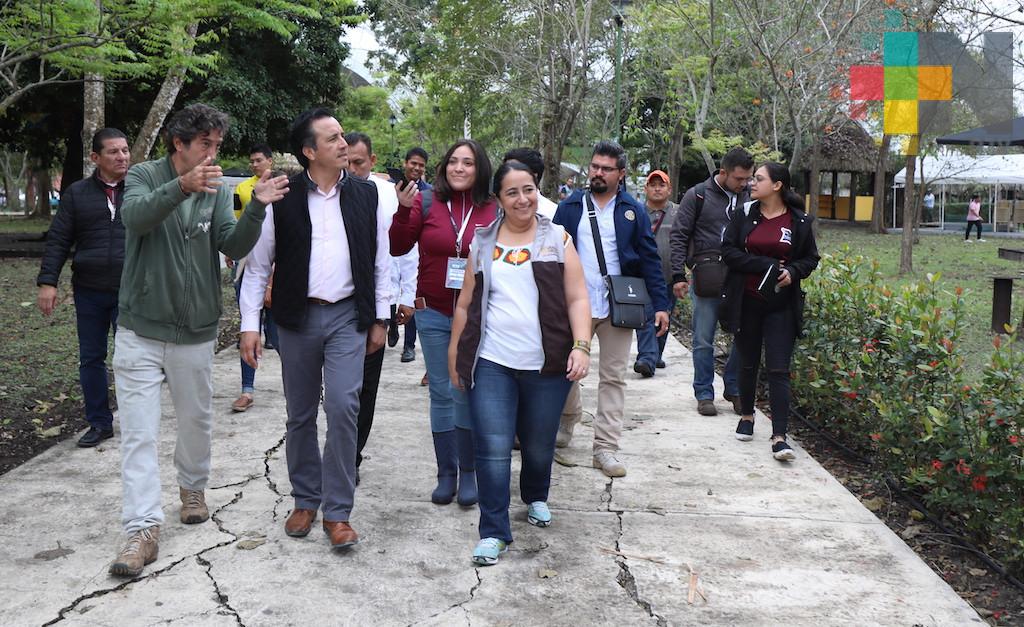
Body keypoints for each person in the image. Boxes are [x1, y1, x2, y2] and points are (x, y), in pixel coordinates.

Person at [108, 104, 285, 577]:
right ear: (178, 143)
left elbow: (231, 245)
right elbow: (135, 219)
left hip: (196, 332)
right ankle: (142, 529)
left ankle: (193, 487)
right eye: (205, 144)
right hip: (140, 330)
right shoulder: (145, 175)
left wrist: (259, 208)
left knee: (195, 422)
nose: (213, 154)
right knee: (139, 435)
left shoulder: (214, 190)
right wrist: (179, 188)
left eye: (217, 146)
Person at [240, 109, 391, 550]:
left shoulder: (368, 195)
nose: (344, 144)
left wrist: (380, 317)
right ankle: (305, 499)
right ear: (309, 151)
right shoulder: (282, 197)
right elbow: (257, 267)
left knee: (344, 406)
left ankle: (339, 512)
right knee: (300, 412)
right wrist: (251, 325)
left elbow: (380, 262)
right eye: (333, 139)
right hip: (297, 318)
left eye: (343, 136)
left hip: (348, 316)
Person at [448, 161, 591, 565]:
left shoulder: (557, 238)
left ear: (537, 191)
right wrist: (454, 354)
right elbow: (464, 305)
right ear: (499, 199)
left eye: (528, 189)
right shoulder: (482, 242)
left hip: (546, 365)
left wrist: (581, 345)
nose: (522, 199)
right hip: (492, 361)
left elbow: (578, 298)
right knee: (492, 447)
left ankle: (535, 495)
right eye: (512, 192)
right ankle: (493, 531)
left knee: (538, 443)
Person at [390, 139, 498, 506]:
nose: (459, 168)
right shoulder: (426, 201)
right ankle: (445, 473)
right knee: (441, 391)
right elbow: (398, 246)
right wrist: (403, 212)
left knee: (465, 389)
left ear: (479, 168)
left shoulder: (492, 208)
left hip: (476, 316)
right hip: (433, 312)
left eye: (468, 163)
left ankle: (469, 472)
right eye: (453, 161)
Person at [553, 140, 670, 478]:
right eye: (594, 167)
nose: (598, 173)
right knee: (567, 370)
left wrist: (660, 305)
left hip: (618, 306)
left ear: (621, 174)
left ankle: (605, 448)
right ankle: (567, 419)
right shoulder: (571, 206)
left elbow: (649, 258)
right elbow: (551, 254)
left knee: (613, 378)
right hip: (575, 305)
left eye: (606, 169)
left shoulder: (632, 210)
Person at [36, 128, 130, 448]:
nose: (122, 157)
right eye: (114, 152)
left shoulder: (140, 191)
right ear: (95, 158)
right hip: (88, 290)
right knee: (91, 358)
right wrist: (48, 282)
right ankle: (99, 422)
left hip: (129, 291)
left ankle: (134, 420)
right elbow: (60, 239)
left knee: (131, 358)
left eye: (125, 151)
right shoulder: (77, 193)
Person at [720, 162, 820, 462]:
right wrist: (763, 265)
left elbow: (810, 258)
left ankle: (779, 436)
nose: (752, 182)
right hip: (747, 302)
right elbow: (729, 253)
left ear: (777, 185)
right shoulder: (743, 215)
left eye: (759, 179)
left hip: (781, 306)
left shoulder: (798, 222)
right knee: (748, 363)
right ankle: (748, 416)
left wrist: (792, 272)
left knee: (779, 369)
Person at [669, 147, 754, 416]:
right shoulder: (698, 195)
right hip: (707, 276)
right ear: (723, 172)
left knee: (744, 339)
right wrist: (678, 275)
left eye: (748, 179)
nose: (744, 184)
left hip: (741, 277)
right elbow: (679, 235)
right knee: (704, 339)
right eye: (739, 179)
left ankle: (734, 388)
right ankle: (704, 392)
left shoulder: (751, 198)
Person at [343, 131, 400, 483]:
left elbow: (398, 255)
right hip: (332, 308)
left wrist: (395, 305)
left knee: (365, 387)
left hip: (376, 304)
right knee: (337, 393)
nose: (350, 169)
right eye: (345, 161)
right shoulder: (327, 195)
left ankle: (351, 455)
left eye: (358, 163)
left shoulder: (384, 199)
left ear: (373, 162)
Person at [229, 144, 278, 413]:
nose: (254, 165)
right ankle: (247, 389)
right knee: (249, 327)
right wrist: (232, 251)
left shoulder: (283, 187)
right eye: (252, 161)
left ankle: (305, 383)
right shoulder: (242, 189)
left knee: (280, 332)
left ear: (269, 161)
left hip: (276, 267)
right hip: (248, 263)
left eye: (259, 160)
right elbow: (236, 221)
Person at [633, 170, 679, 376]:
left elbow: (686, 242)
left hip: (669, 276)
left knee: (664, 315)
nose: (657, 188)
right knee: (646, 316)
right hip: (641, 276)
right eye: (653, 185)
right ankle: (647, 358)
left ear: (669, 189)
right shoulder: (635, 212)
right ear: (646, 189)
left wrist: (683, 274)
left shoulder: (679, 214)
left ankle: (655, 354)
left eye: (662, 185)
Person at [389, 147, 428, 362]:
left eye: (421, 165)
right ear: (405, 163)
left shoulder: (429, 193)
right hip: (392, 244)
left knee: (411, 293)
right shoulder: (390, 189)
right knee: (391, 285)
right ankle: (391, 324)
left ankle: (409, 345)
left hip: (415, 249)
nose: (417, 167)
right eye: (413, 163)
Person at [501, 147, 558, 218]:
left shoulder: (552, 213)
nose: (508, 175)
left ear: (534, 176)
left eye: (515, 170)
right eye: (505, 170)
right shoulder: (497, 211)